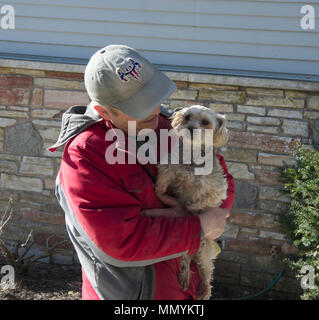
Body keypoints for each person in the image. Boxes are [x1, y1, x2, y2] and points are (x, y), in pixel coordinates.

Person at [48, 44, 235, 300]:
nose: (156, 111)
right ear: (105, 111)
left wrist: (215, 213)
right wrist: (197, 226)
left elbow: (221, 174)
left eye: (154, 98)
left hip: (184, 289)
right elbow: (120, 243)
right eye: (140, 106)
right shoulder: (85, 155)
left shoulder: (168, 125)